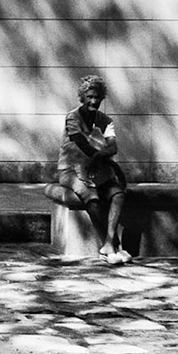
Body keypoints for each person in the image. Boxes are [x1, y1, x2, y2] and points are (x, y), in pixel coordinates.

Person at [47, 74, 130, 265]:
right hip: (69, 171)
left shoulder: (105, 121)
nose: (94, 101)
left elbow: (113, 147)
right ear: (82, 97)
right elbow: (81, 143)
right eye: (90, 96)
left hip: (96, 169)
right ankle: (108, 244)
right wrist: (103, 157)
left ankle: (110, 243)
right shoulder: (72, 118)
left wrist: (101, 159)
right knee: (91, 197)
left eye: (98, 97)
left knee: (117, 193)